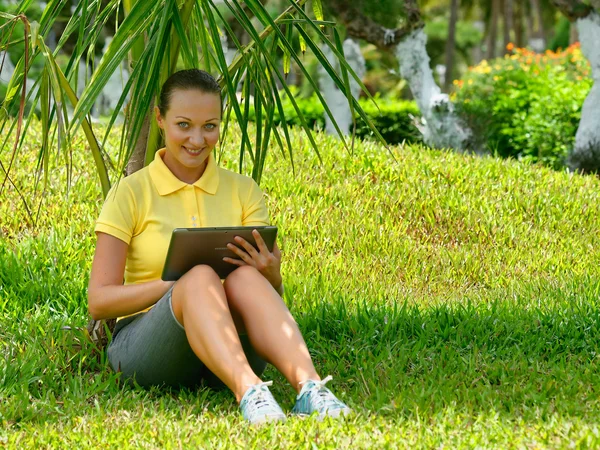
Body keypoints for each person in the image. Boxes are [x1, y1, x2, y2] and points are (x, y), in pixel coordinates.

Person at [87, 69, 351, 424]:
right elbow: (99, 301)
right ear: (160, 119)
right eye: (184, 125)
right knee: (197, 277)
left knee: (244, 278)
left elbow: (266, 297)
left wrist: (272, 276)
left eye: (210, 126)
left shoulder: (243, 190)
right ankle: (250, 392)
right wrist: (173, 288)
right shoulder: (130, 193)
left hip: (232, 345)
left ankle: (310, 389)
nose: (197, 139)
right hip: (148, 349)